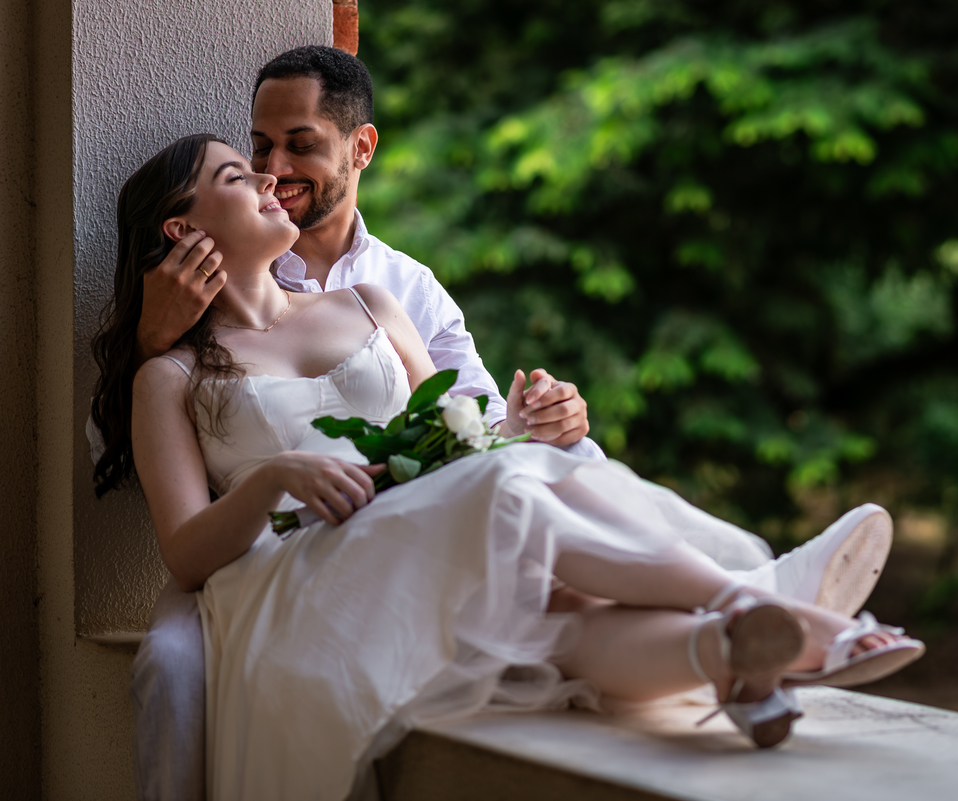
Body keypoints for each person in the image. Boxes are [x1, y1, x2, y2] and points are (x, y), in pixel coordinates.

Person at [110, 46, 900, 801]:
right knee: (512, 496)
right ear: (183, 231)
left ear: (360, 148)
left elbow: (458, 433)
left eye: (292, 148)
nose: (271, 174)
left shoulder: (382, 298)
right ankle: (763, 595)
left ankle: (741, 652)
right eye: (245, 164)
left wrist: (519, 424)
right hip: (301, 572)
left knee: (558, 616)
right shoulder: (168, 369)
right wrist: (271, 469)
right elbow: (183, 550)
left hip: (421, 528)